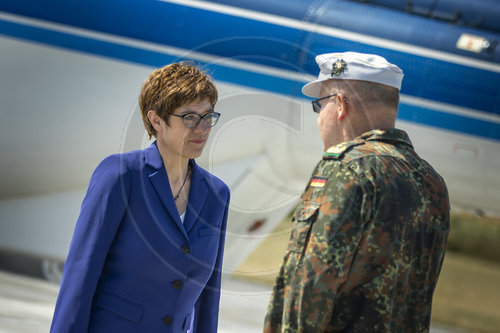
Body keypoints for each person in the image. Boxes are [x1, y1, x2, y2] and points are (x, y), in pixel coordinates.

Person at [264, 52, 450, 332]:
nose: (318, 119)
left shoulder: (347, 167)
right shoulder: (431, 181)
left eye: (319, 106)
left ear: (339, 105)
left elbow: (311, 282)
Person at [50, 62, 230, 332]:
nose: (202, 128)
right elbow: (81, 273)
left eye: (208, 116)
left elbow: (208, 299)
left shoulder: (217, 195)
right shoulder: (120, 175)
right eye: (190, 117)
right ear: (157, 120)